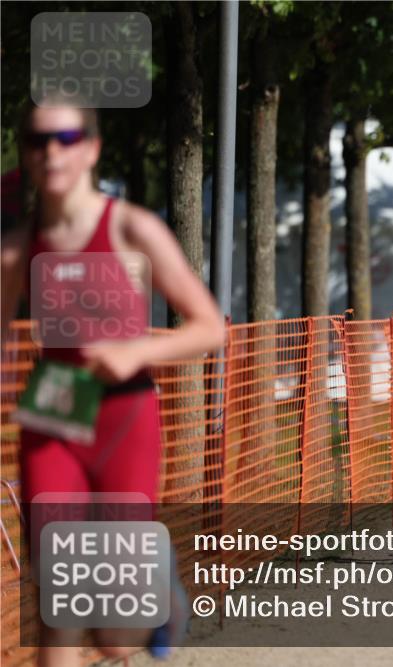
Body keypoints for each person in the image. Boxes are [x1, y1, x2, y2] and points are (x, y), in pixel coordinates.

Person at [1, 98, 225, 665]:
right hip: (54, 405)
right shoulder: (17, 249)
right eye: (37, 139)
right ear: (25, 153)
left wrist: (136, 352)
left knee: (115, 637)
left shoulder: (132, 228)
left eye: (67, 137)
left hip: (124, 413)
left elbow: (209, 329)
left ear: (92, 148)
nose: (52, 149)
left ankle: (155, 577)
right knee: (61, 606)